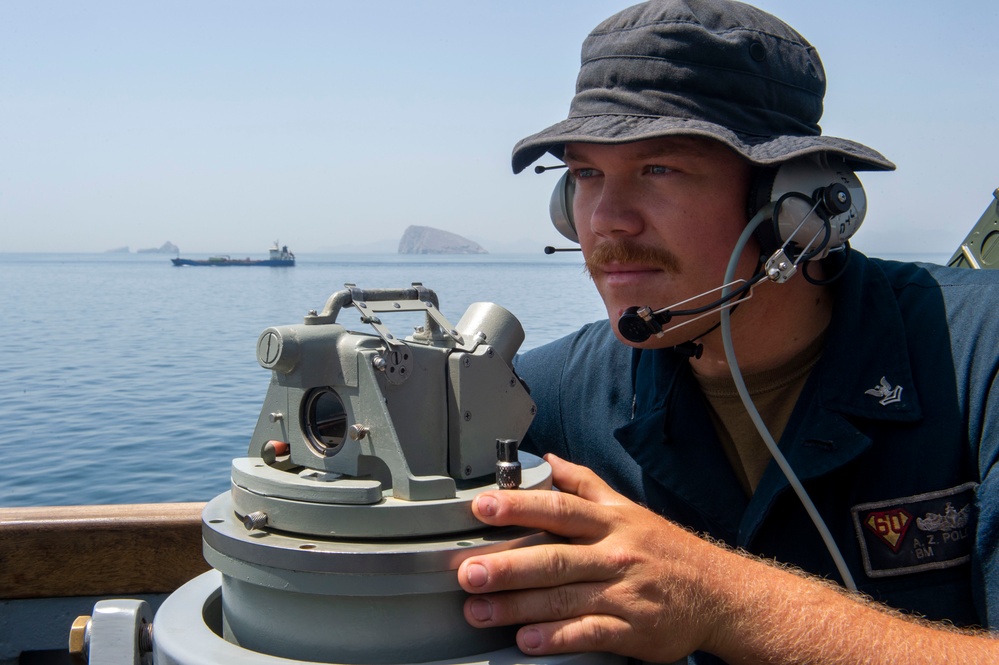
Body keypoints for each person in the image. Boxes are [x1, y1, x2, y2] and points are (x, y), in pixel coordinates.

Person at [456, 1, 999, 663]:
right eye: (583, 174)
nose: (606, 220)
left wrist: (715, 597)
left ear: (795, 204)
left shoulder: (976, 355)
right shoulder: (545, 398)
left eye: (659, 169)